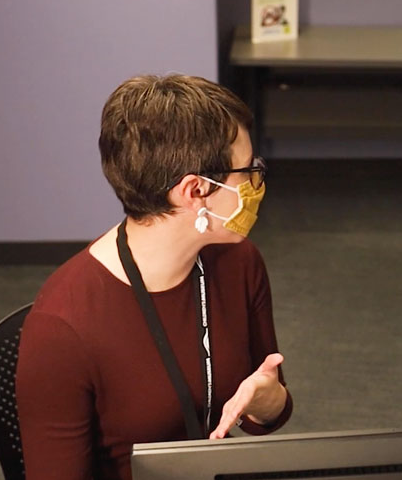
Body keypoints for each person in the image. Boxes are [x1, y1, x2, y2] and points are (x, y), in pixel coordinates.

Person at [16, 74, 292, 479]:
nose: (256, 183)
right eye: (248, 171)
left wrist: (267, 403)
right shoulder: (62, 327)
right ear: (195, 190)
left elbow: (265, 412)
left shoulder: (240, 264)